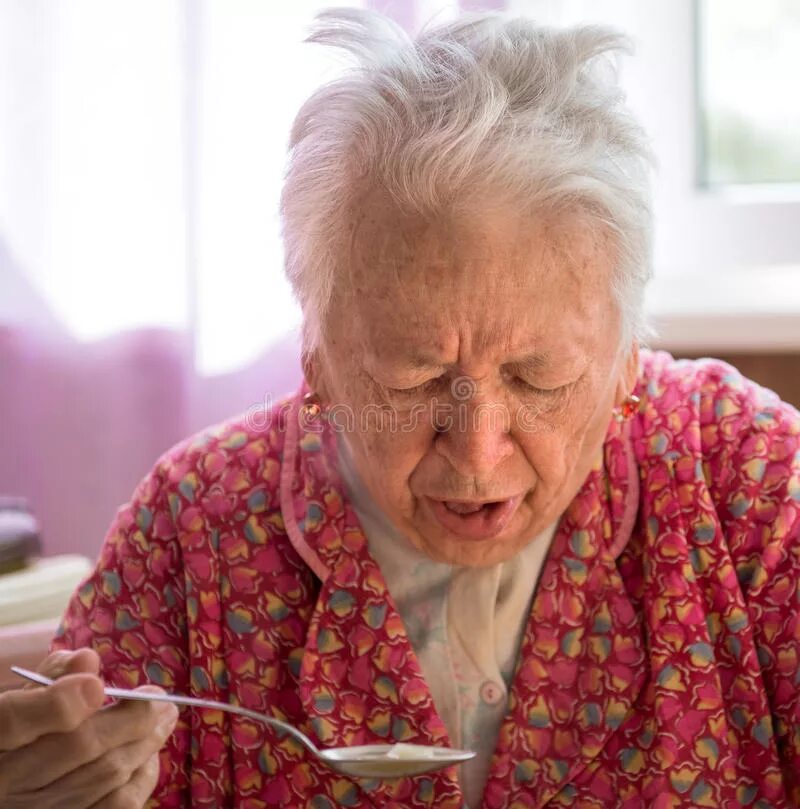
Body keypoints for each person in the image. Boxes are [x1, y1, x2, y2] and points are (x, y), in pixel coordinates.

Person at [2, 7, 798, 808]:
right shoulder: (189, 531)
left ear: (626, 360)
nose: (477, 450)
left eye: (539, 378)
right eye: (413, 379)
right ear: (317, 360)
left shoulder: (752, 484)